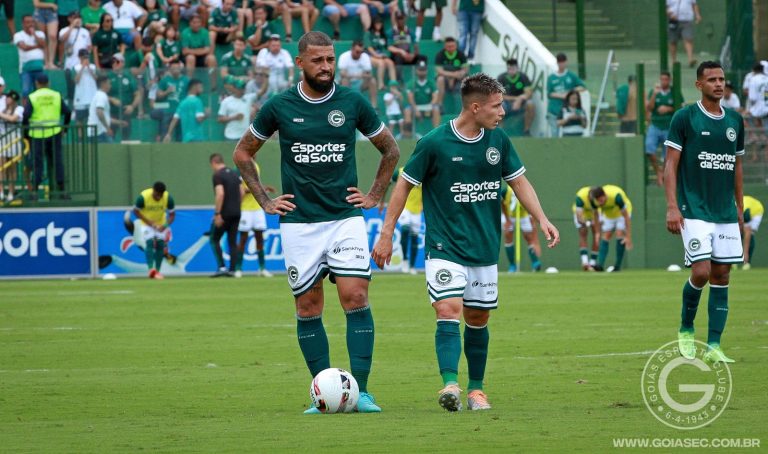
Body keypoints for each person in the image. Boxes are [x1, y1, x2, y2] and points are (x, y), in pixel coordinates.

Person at [233, 31, 400, 414]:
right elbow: (243, 152)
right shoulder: (279, 106)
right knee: (308, 306)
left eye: (330, 60)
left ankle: (363, 391)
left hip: (344, 219)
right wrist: (264, 199)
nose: (326, 67)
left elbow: (390, 149)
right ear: (300, 63)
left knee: (355, 296)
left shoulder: (352, 102)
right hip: (299, 224)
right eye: (318, 61)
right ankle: (324, 393)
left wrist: (374, 195)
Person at [372, 73, 558, 412]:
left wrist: (542, 218)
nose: (503, 112)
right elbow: (404, 185)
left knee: (477, 318)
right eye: (497, 106)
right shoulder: (434, 142)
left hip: (484, 246)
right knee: (447, 309)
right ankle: (450, 384)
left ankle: (476, 390)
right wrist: (386, 233)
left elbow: (519, 183)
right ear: (475, 107)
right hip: (445, 245)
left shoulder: (498, 141)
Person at [664, 61, 745, 364]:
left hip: (724, 210)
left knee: (722, 274)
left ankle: (714, 344)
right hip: (693, 208)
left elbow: (737, 166)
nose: (719, 84)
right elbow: (670, 164)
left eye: (722, 79)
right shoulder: (685, 117)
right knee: (701, 271)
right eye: (712, 79)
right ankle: (686, 328)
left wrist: (739, 206)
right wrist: (672, 206)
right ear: (699, 84)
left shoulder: (735, 121)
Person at [23, 73, 73, 199]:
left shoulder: (33, 97)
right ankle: (62, 190)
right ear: (48, 83)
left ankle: (34, 191)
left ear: (37, 84)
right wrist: (65, 128)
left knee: (37, 163)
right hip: (55, 134)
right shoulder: (56, 95)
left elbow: (26, 115)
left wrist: (26, 134)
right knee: (57, 162)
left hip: (37, 135)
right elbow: (68, 112)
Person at [380, 166, 422, 274]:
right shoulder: (401, 172)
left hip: (417, 210)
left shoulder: (423, 173)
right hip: (404, 207)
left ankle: (412, 266)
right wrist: (381, 201)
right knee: (404, 229)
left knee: (414, 238)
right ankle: (404, 260)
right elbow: (387, 184)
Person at [236, 163, 276, 278]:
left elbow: (255, 185)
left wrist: (263, 189)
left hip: (258, 208)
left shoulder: (256, 166)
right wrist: (263, 188)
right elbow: (242, 188)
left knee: (259, 238)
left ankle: (262, 268)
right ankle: (238, 269)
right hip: (246, 209)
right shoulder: (240, 166)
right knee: (243, 238)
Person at [133, 181, 176, 279]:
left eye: (160, 195)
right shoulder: (143, 197)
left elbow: (172, 215)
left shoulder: (168, 198)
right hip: (146, 223)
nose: (158, 197)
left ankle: (157, 271)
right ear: (153, 191)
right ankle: (150, 269)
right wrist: (149, 222)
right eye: (157, 195)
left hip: (161, 223)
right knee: (150, 242)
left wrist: (164, 225)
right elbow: (136, 211)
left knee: (160, 245)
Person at [209, 153, 242, 277]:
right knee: (232, 242)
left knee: (214, 239)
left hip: (224, 213)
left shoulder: (217, 175)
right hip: (237, 212)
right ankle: (233, 270)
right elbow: (242, 191)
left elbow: (220, 194)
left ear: (213, 163)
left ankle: (222, 267)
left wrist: (218, 213)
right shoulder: (234, 174)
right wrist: (237, 205)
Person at [645, 71, 680, 186]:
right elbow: (649, 108)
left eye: (666, 79)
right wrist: (654, 94)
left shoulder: (675, 92)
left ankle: (664, 175)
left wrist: (668, 109)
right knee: (649, 149)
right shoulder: (654, 91)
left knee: (668, 155)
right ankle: (658, 171)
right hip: (655, 124)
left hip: (668, 126)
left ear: (669, 80)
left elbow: (680, 107)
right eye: (662, 79)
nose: (663, 81)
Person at [589, 185, 632, 272]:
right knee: (606, 236)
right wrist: (597, 233)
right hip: (609, 215)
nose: (600, 203)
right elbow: (596, 216)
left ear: (605, 195)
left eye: (601, 200)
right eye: (598, 201)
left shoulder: (617, 197)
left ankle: (617, 266)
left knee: (619, 234)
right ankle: (599, 265)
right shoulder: (594, 201)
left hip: (622, 214)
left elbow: (626, 217)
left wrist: (628, 237)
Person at [501, 185, 541, 272]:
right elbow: (502, 203)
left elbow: (530, 204)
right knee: (508, 236)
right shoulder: (506, 191)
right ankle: (512, 265)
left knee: (529, 237)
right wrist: (507, 220)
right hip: (509, 215)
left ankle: (535, 262)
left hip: (524, 216)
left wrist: (532, 218)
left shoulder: (525, 188)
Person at [546, 52, 585, 137]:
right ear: (557, 63)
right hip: (554, 110)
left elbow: (582, 86)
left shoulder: (571, 76)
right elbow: (549, 93)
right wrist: (562, 96)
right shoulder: (551, 78)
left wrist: (570, 92)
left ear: (566, 62)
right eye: (559, 62)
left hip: (567, 110)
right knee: (554, 134)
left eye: (563, 61)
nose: (561, 64)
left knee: (568, 134)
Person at [58, 11, 92, 104]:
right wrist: (72, 26)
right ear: (69, 19)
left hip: (82, 65)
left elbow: (89, 47)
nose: (78, 19)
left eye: (79, 17)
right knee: (71, 88)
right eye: (75, 17)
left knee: (83, 88)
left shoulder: (85, 32)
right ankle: (71, 108)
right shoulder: (64, 30)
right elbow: (61, 40)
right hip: (70, 64)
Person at [108, 53, 142, 141]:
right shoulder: (108, 76)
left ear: (123, 63)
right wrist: (111, 99)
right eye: (113, 62)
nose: (115, 64)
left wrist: (132, 106)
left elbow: (138, 94)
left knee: (126, 137)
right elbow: (101, 94)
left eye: (117, 62)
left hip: (125, 111)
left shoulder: (129, 77)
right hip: (112, 112)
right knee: (110, 136)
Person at [153, 59, 189, 141]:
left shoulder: (186, 80)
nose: (176, 70)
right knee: (165, 131)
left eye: (177, 68)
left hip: (181, 111)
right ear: (170, 69)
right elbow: (158, 95)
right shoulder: (165, 80)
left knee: (181, 135)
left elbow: (190, 95)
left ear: (180, 68)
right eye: (173, 68)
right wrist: (167, 91)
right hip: (168, 110)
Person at [14, 15, 48, 99]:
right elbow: (24, 47)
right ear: (23, 24)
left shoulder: (40, 33)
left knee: (41, 92)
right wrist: (37, 46)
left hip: (39, 67)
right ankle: (25, 111)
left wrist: (34, 34)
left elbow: (44, 44)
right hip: (26, 69)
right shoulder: (18, 35)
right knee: (26, 91)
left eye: (32, 22)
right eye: (28, 22)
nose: (30, 24)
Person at [498, 58, 534, 135]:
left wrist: (520, 99)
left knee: (530, 104)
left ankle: (526, 131)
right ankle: (500, 132)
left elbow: (529, 94)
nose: (511, 70)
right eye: (509, 68)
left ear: (517, 68)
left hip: (521, 104)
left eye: (513, 68)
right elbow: (499, 96)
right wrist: (516, 99)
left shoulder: (523, 77)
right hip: (507, 104)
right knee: (498, 106)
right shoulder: (502, 78)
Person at [0, 90, 24, 204]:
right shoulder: (2, 108)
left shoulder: (19, 109)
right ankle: (1, 191)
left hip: (14, 139)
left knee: (12, 167)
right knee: (2, 165)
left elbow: (13, 119)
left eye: (10, 98)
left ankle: (10, 191)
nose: (7, 99)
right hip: (3, 139)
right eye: (7, 97)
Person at [338, 40, 377, 108]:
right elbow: (342, 74)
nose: (359, 54)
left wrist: (354, 75)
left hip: (361, 83)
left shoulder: (365, 56)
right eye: (357, 52)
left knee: (372, 81)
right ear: (352, 49)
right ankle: (346, 106)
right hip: (348, 83)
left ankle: (374, 107)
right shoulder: (344, 56)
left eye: (361, 52)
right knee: (344, 80)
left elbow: (369, 75)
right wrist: (360, 75)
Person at [88, 75, 127, 143]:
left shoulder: (97, 95)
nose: (110, 86)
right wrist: (107, 128)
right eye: (109, 83)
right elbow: (99, 112)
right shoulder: (102, 96)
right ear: (103, 84)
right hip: (100, 133)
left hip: (95, 133)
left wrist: (119, 122)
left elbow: (105, 117)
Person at [405, 60, 441, 133]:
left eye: (424, 70)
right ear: (416, 71)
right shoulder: (411, 83)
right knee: (407, 111)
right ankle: (408, 134)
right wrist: (415, 109)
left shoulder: (431, 83)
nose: (422, 72)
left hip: (428, 105)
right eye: (420, 70)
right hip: (415, 106)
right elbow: (410, 98)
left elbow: (435, 97)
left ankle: (436, 132)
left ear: (426, 71)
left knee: (436, 109)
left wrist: (430, 106)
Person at [572, 185, 600, 271]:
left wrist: (596, 225)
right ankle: (585, 262)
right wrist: (587, 223)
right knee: (583, 233)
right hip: (581, 213)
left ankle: (592, 262)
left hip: (593, 213)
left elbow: (597, 214)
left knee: (596, 234)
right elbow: (579, 218)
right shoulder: (580, 196)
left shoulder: (598, 199)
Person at [666, 0, 701, 68]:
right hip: (674, 21)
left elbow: (694, 5)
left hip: (687, 20)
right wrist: (670, 14)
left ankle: (690, 59)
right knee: (672, 41)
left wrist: (697, 15)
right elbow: (666, 8)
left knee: (688, 39)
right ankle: (673, 60)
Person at [363, 17, 396, 90]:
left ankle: (393, 84)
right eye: (377, 23)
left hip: (380, 55)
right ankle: (380, 85)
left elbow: (388, 47)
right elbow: (369, 48)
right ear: (373, 24)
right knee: (381, 63)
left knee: (390, 62)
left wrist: (399, 51)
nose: (378, 25)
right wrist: (377, 55)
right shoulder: (368, 34)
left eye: (380, 23)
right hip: (369, 55)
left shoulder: (383, 34)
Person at [181, 14, 217, 78]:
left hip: (202, 57)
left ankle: (213, 85)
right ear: (190, 23)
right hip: (188, 58)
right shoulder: (185, 32)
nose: (196, 25)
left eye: (198, 22)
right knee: (191, 57)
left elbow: (207, 50)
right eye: (194, 22)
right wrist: (201, 50)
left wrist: (191, 50)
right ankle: (189, 83)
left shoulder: (205, 32)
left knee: (211, 58)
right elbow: (185, 51)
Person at [435, 37, 468, 106]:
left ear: (456, 46)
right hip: (445, 79)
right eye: (448, 46)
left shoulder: (461, 54)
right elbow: (439, 71)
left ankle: (463, 106)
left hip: (458, 79)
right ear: (445, 46)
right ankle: (439, 105)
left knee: (466, 80)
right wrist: (453, 74)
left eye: (452, 46)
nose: (450, 48)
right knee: (440, 79)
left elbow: (465, 69)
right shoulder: (440, 55)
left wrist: (460, 74)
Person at [72, 49, 98, 124]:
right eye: (84, 57)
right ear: (80, 57)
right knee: (79, 120)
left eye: (87, 57)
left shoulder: (93, 67)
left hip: (92, 97)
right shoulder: (75, 67)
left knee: (93, 120)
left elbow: (96, 78)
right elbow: (76, 80)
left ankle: (92, 135)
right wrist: (82, 67)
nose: (85, 59)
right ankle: (80, 136)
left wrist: (89, 68)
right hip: (80, 97)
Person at [32, 0, 58, 69]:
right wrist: (51, 5)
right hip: (40, 12)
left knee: (53, 36)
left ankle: (51, 62)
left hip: (52, 12)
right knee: (42, 37)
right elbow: (36, 4)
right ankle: (45, 62)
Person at [741, 195, 763, 271]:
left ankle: (747, 262)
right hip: (745, 209)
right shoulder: (730, 209)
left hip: (756, 211)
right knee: (739, 232)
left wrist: (745, 253)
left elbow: (747, 232)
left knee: (750, 234)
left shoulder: (745, 212)